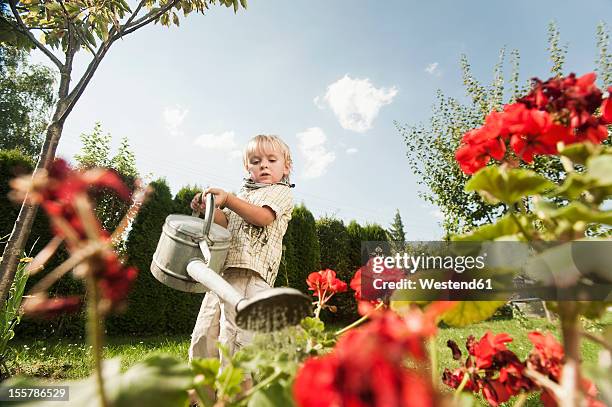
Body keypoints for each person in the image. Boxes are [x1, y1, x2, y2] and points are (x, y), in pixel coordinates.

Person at [188, 134, 294, 366]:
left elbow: (263, 217)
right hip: (222, 273)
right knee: (204, 334)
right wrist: (209, 207)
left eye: (271, 160)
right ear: (248, 167)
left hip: (251, 277)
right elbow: (225, 223)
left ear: (286, 167)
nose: (263, 165)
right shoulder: (244, 196)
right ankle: (201, 394)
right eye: (256, 161)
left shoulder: (280, 192)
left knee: (234, 339)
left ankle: (234, 395)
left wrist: (229, 199)